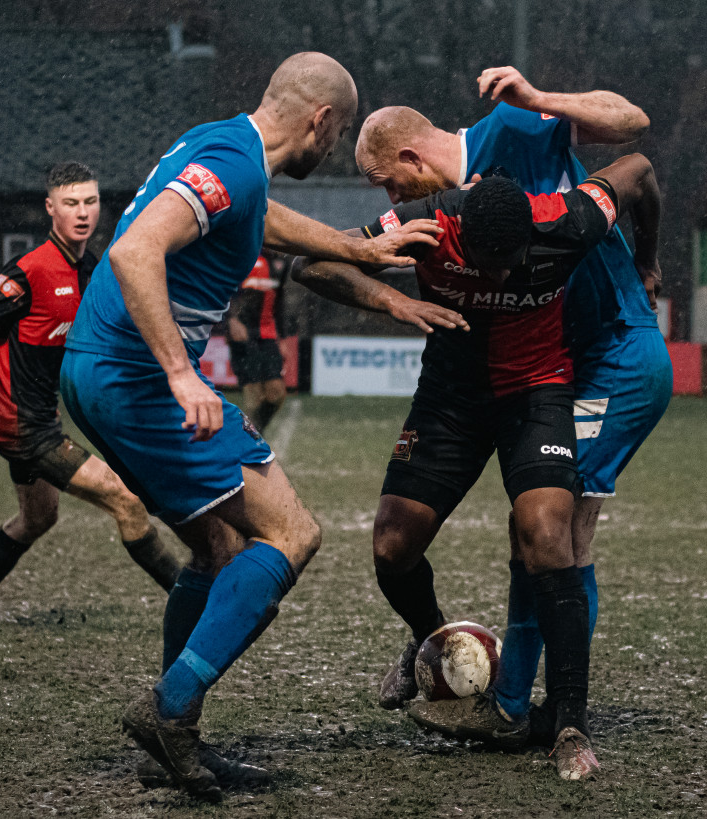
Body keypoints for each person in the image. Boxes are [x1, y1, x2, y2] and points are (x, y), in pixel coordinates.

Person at [58, 52, 446, 802]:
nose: (329, 151)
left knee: (219, 546)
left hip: (98, 368)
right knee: (293, 533)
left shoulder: (223, 147)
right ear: (322, 121)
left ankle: (175, 727)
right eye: (334, 140)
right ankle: (171, 708)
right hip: (134, 376)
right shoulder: (235, 165)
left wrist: (357, 247)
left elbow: (259, 215)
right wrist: (178, 373)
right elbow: (137, 250)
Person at [345, 67, 674, 775]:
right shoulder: (438, 209)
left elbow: (634, 126)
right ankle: (506, 689)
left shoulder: (514, 127)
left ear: (409, 158)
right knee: (532, 529)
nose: (390, 199)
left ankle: (530, 706)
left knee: (556, 532)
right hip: (561, 357)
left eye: (388, 183)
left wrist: (544, 99)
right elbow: (332, 256)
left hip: (614, 351)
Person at [0, 162, 182, 626]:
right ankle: (193, 602)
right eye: (70, 203)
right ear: (50, 209)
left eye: (90, 201)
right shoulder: (29, 270)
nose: (82, 212)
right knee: (126, 500)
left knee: (38, 518)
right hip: (20, 421)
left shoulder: (90, 267)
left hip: (38, 417)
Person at [225, 248, 290, 432]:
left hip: (267, 334)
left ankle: (250, 436)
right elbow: (222, 288)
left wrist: (283, 339)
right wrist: (230, 319)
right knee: (253, 395)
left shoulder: (281, 262)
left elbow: (280, 301)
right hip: (242, 334)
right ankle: (251, 445)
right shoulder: (244, 252)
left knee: (276, 393)